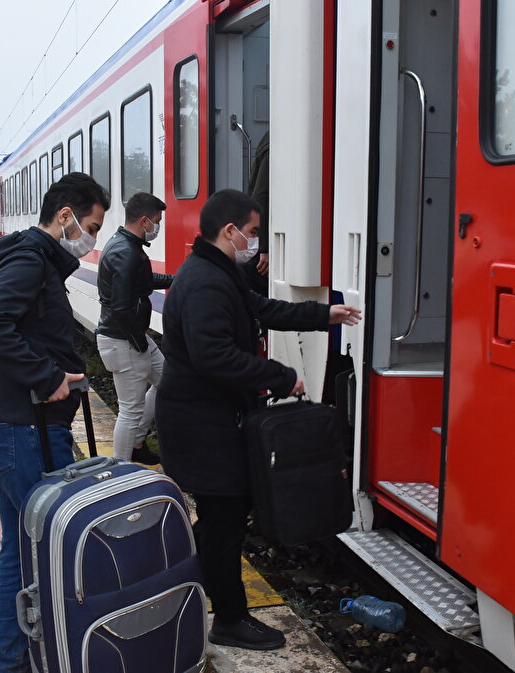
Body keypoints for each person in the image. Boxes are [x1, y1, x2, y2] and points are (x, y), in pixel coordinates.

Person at [155, 189, 361, 651]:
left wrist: (322, 313)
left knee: (218, 522)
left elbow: (262, 310)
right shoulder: (207, 281)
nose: (254, 241)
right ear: (229, 231)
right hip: (205, 429)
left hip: (207, 423)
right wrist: (282, 376)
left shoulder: (214, 270)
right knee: (225, 525)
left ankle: (178, 581)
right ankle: (229, 619)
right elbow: (216, 357)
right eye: (251, 232)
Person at [0, 172, 108, 673]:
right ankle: (32, 659)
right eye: (90, 225)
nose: (90, 238)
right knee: (46, 550)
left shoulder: (36, 261)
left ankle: (17, 661)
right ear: (66, 216)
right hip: (22, 430)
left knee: (21, 551)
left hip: (17, 427)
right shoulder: (30, 262)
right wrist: (47, 375)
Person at [95, 192, 170, 465]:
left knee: (165, 381)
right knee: (129, 409)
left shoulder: (124, 245)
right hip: (124, 339)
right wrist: (138, 341)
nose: (158, 227)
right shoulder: (127, 253)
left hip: (132, 337)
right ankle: (121, 470)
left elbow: (143, 281)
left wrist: (178, 279)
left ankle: (137, 442)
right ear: (144, 221)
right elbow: (122, 308)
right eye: (157, 221)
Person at [243, 131, 269, 294]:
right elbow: (263, 196)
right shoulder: (277, 141)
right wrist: (264, 247)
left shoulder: (267, 138)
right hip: (264, 246)